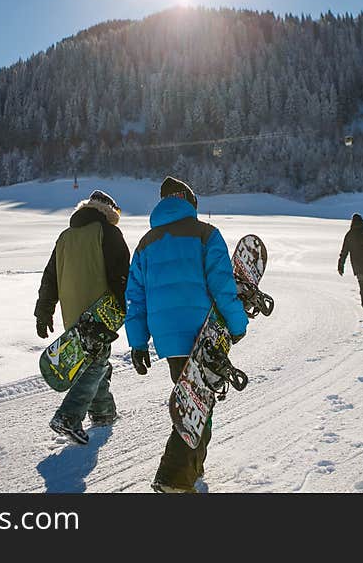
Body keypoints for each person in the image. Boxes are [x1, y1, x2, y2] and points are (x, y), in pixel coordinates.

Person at [125, 176, 248, 493]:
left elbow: (135, 299)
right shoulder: (206, 234)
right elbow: (223, 287)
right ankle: (174, 477)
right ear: (189, 202)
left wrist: (138, 343)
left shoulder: (146, 244)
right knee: (196, 405)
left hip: (169, 340)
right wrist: (236, 326)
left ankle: (192, 468)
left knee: (193, 399)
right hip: (202, 334)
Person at [34, 190, 130, 444]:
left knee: (95, 361)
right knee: (97, 362)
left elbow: (50, 277)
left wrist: (44, 311)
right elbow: (121, 276)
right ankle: (68, 416)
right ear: (108, 211)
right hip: (99, 313)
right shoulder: (108, 233)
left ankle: (103, 412)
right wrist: (125, 309)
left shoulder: (65, 237)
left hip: (72, 313)